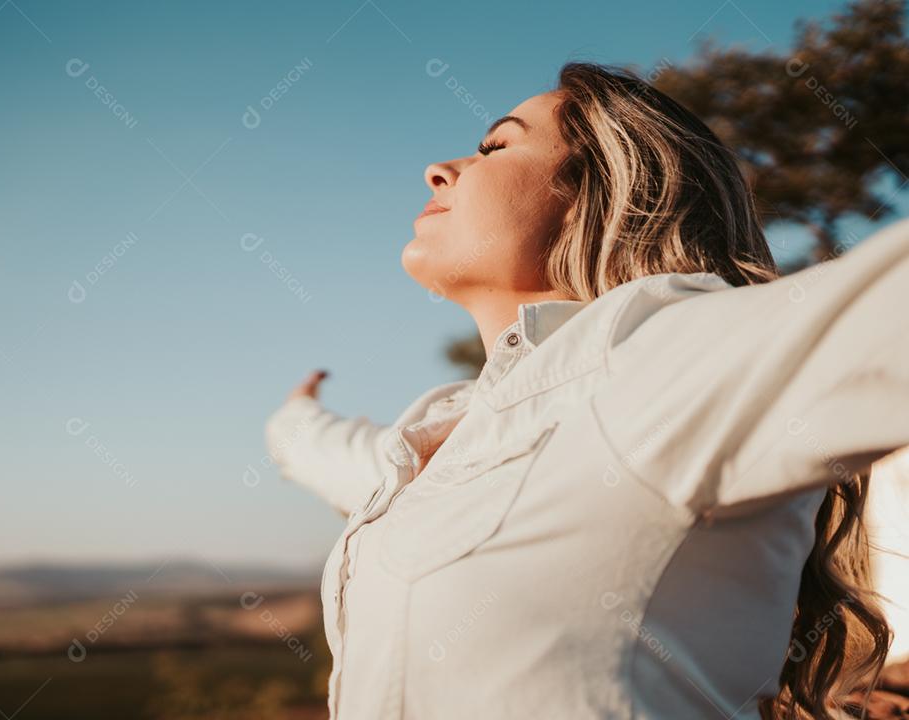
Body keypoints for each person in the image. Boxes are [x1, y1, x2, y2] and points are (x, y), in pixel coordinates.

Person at [263, 62, 909, 719]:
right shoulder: (441, 433)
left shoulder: (659, 358)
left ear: (606, 190)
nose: (438, 168)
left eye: (495, 146)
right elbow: (326, 452)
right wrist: (294, 417)